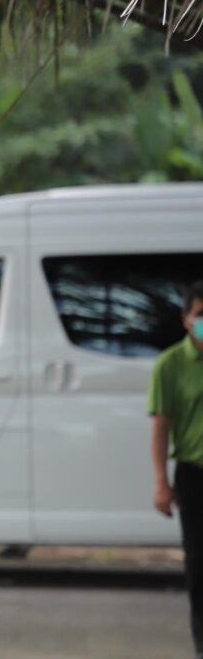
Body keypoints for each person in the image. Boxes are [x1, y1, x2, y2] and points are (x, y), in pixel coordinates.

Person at [150, 280, 203, 658]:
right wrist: (161, 483)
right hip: (194, 475)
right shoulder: (170, 364)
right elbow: (161, 428)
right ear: (186, 318)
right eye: (201, 314)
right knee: (199, 567)